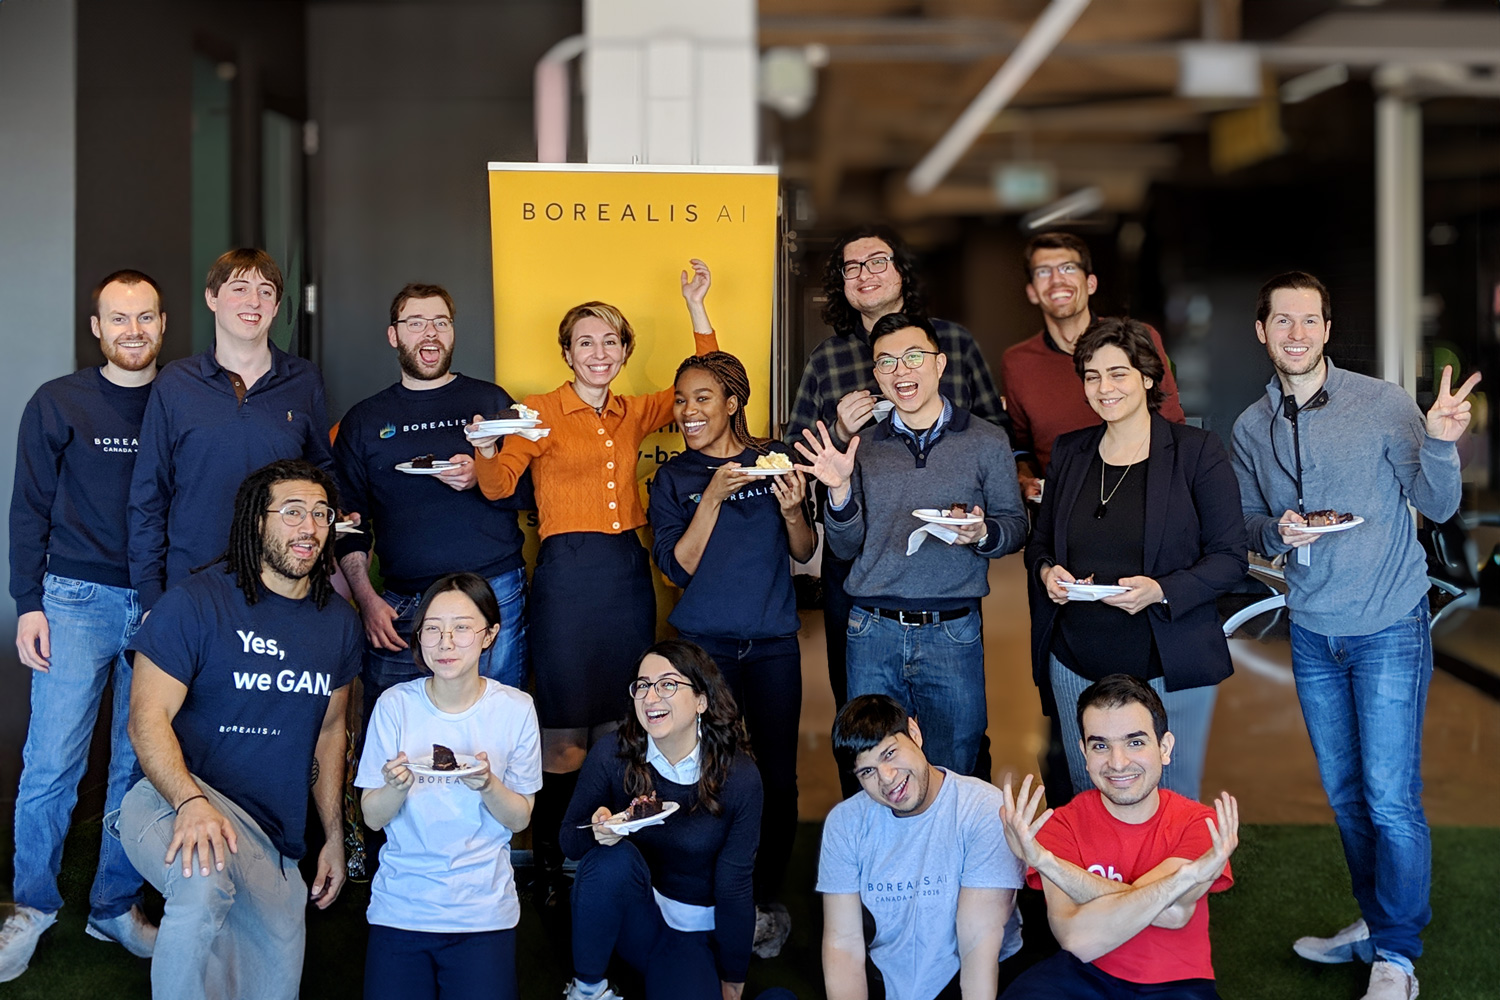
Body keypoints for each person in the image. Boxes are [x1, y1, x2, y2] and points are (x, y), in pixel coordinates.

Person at [1229, 271, 1480, 1000]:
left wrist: (1439, 443)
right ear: (1262, 331)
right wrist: (1274, 530)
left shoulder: (1383, 404)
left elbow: (1436, 502)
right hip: (1312, 630)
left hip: (1389, 625)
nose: (1297, 334)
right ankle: (1376, 922)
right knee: (1344, 795)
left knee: (1390, 795)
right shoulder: (1252, 425)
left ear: (1328, 329)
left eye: (1310, 320)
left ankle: (1397, 955)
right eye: (1283, 321)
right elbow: (1248, 522)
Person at [467, 260, 719, 899]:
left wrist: (697, 306)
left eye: (610, 341)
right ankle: (555, 862)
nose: (599, 353)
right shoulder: (539, 411)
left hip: (625, 575)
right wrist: (488, 447)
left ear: (624, 350)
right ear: (568, 352)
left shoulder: (636, 410)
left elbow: (712, 379)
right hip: (566, 581)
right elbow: (496, 487)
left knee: (619, 729)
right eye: (586, 341)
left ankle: (616, 859)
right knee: (563, 739)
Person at [118, 459, 362, 999]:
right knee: (203, 881)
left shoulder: (338, 624)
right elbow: (146, 719)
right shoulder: (196, 602)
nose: (310, 528)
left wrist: (333, 839)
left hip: (270, 838)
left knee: (270, 989)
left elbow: (330, 732)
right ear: (257, 521)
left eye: (322, 514)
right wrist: (189, 802)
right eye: (293, 512)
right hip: (174, 799)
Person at [1, 270, 165, 982]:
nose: (133, 330)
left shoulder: (183, 400)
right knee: (51, 765)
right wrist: (27, 601)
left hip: (161, 603)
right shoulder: (57, 402)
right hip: (73, 600)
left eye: (146, 317)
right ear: (96, 327)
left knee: (139, 765)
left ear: (163, 323)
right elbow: (27, 508)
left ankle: (113, 906)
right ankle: (32, 908)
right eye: (118, 318)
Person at [786, 225, 1009, 738]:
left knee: (958, 723)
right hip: (860, 560)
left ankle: (958, 808)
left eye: (877, 261)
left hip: (946, 573)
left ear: (902, 271)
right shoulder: (828, 358)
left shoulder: (952, 341)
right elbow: (798, 448)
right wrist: (841, 431)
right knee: (861, 715)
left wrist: (988, 516)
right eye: (851, 267)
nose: (865, 274)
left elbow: (994, 437)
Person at [1024, 318, 1247, 802]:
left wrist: (1161, 590)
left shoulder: (1196, 452)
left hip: (1168, 660)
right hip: (1075, 660)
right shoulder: (1070, 452)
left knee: (1171, 798)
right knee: (1090, 794)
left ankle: (1168, 883)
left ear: (1147, 377)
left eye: (1118, 373)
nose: (1104, 388)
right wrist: (1047, 572)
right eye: (1092, 375)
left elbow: (1230, 558)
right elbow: (1040, 542)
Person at [797, 313, 1028, 776]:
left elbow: (1015, 526)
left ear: (939, 364)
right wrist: (839, 492)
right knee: (876, 766)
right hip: (871, 630)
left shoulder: (986, 440)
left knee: (954, 764)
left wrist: (983, 533)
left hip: (953, 629)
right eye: (886, 363)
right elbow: (843, 547)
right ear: (876, 375)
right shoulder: (862, 446)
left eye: (913, 357)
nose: (901, 371)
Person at [648, 350, 816, 958]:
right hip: (704, 652)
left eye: (702, 399)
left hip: (771, 645)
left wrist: (794, 508)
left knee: (774, 775)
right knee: (708, 772)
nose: (688, 412)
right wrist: (713, 496)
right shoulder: (674, 478)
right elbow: (678, 569)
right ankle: (702, 893)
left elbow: (803, 550)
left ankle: (765, 899)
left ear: (732, 403)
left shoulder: (775, 461)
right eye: (681, 399)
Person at [334, 282, 534, 735]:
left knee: (496, 728)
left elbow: (528, 492)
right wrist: (366, 600)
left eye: (441, 322)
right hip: (403, 606)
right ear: (394, 335)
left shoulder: (490, 401)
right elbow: (349, 523)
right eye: (416, 323)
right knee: (398, 736)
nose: (430, 333)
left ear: (453, 333)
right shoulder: (364, 420)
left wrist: (479, 475)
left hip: (493, 591)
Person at [355, 572, 542, 1000]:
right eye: (433, 629)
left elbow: (519, 818)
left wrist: (487, 784)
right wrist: (397, 787)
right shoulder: (395, 705)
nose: (445, 642)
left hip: (482, 914)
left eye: (461, 628)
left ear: (490, 634)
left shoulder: (515, 709)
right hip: (401, 909)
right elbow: (372, 815)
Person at [999, 675, 1239, 1000]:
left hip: (1177, 984)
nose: (1118, 762)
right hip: (1084, 975)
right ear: (1083, 752)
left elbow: (1174, 916)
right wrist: (1178, 882)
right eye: (1100, 745)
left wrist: (1050, 865)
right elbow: (1076, 940)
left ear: (1164, 748)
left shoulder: (1200, 822)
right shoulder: (1061, 825)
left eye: (1135, 742)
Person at [129, 248, 334, 610]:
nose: (253, 301)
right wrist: (150, 594)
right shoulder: (175, 383)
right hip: (191, 585)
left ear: (276, 306)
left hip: (282, 584)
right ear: (212, 298)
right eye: (239, 288)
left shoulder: (304, 380)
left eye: (266, 291)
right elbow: (149, 495)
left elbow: (323, 474)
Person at [558, 639, 762, 1000]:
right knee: (612, 858)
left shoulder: (739, 776)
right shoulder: (613, 752)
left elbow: (734, 886)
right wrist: (600, 829)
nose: (651, 698)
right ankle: (588, 990)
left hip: (691, 931)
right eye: (643, 685)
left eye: (668, 684)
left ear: (701, 699)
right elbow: (569, 841)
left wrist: (734, 977)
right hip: (632, 916)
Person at [818, 695, 1023, 1000]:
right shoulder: (845, 823)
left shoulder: (982, 808)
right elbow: (843, 943)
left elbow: (978, 944)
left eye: (889, 753)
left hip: (971, 975)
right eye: (867, 771)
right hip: (887, 974)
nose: (887, 779)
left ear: (914, 733)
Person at [1000, 232, 1184, 497]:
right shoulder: (1017, 362)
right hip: (1061, 504)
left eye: (1067, 268)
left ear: (1091, 283)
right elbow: (1022, 446)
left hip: (1143, 495)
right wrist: (1024, 479)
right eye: (1043, 272)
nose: (1056, 280)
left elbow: (1171, 425)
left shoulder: (1138, 338)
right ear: (1031, 292)